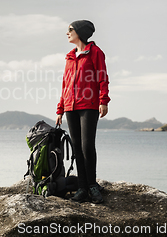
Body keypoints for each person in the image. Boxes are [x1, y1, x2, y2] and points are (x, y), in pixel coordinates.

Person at [55, 20, 110, 204]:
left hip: (89, 105)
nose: (67, 33)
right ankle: (82, 188)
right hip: (71, 107)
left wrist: (104, 100)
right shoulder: (70, 57)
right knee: (77, 147)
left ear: (79, 32)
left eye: (70, 30)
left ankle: (92, 185)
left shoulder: (95, 53)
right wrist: (60, 109)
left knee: (87, 146)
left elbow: (102, 76)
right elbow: (65, 84)